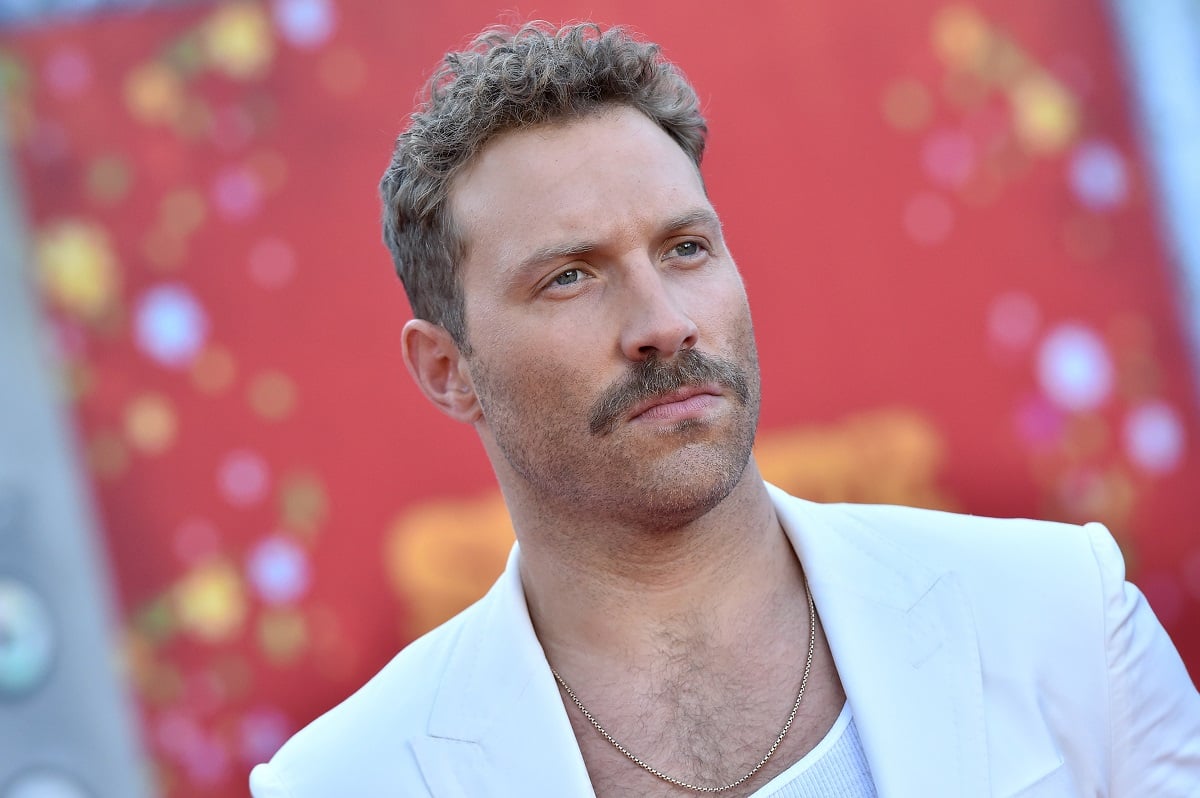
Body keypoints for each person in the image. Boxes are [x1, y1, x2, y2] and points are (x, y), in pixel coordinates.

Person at [249, 22, 1200, 797]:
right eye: (570, 277)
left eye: (685, 249)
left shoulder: (1059, 616)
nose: (661, 325)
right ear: (448, 369)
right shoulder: (347, 780)